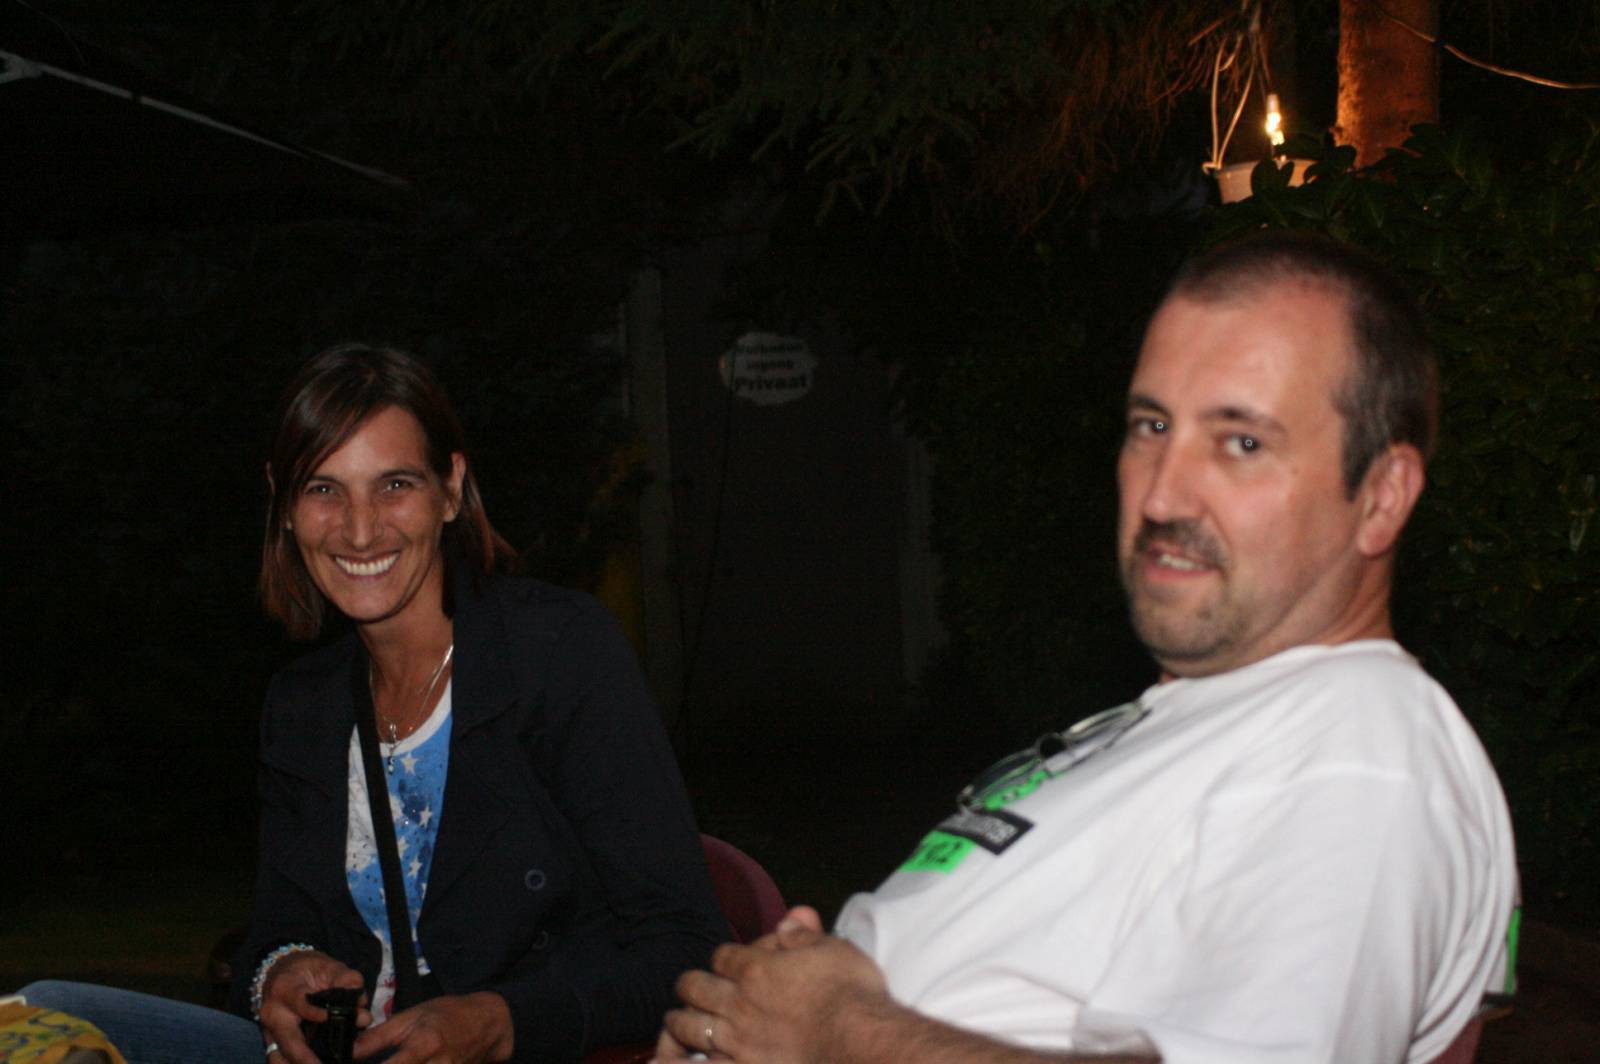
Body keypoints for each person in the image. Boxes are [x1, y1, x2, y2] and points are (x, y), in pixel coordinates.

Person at [656, 233, 1519, 1064]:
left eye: (1242, 442)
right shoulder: (1212, 718)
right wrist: (748, 1019)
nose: (1163, 495)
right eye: (1152, 426)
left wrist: (832, 1029)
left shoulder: (1358, 751)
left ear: (1382, 495)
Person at [22, 343, 727, 1064]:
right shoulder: (304, 706)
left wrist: (500, 1020)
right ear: (284, 504)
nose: (359, 530)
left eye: (394, 485)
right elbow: (277, 931)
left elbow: (687, 948)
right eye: (323, 489)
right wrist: (282, 974)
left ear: (451, 488)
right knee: (43, 1015)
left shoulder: (556, 655)